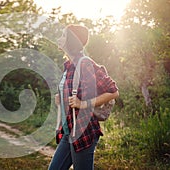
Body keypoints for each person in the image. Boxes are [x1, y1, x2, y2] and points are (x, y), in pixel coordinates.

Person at [48, 24, 119, 170]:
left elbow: (113, 91)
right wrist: (61, 98)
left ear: (71, 41)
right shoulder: (68, 65)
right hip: (69, 131)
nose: (59, 39)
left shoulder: (85, 63)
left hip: (83, 131)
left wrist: (83, 104)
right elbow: (76, 90)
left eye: (63, 36)